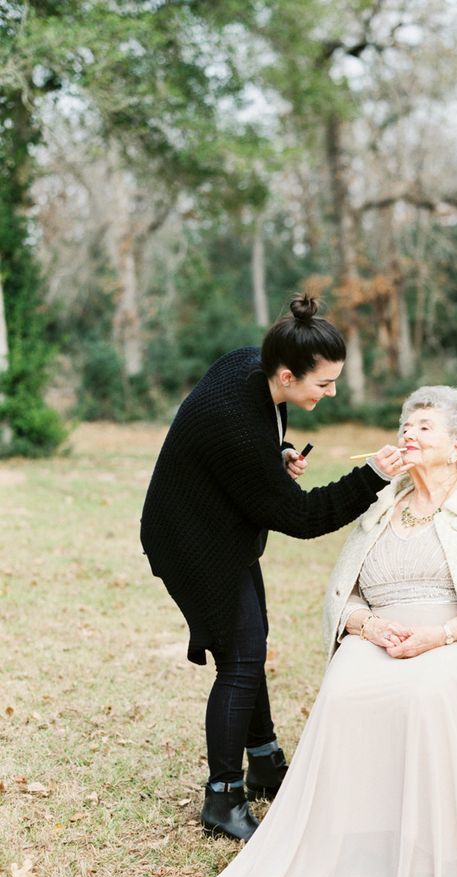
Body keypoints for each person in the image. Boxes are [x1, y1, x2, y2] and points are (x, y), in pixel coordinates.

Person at [159, 385, 457, 877]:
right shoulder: (382, 506)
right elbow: (347, 591)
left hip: (455, 640)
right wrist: (367, 626)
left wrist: (438, 635)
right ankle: (359, 840)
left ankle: (436, 843)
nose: (409, 433)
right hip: (379, 633)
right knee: (346, 688)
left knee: (430, 692)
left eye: (425, 427)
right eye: (406, 425)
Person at [140, 294, 407, 842]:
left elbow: (248, 445)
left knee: (250, 645)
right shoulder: (235, 419)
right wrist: (373, 476)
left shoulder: (249, 364)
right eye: (324, 384)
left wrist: (276, 452)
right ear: (287, 375)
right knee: (240, 660)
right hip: (189, 543)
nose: (331, 393)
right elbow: (302, 517)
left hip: (220, 530)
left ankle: (263, 764)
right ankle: (223, 799)